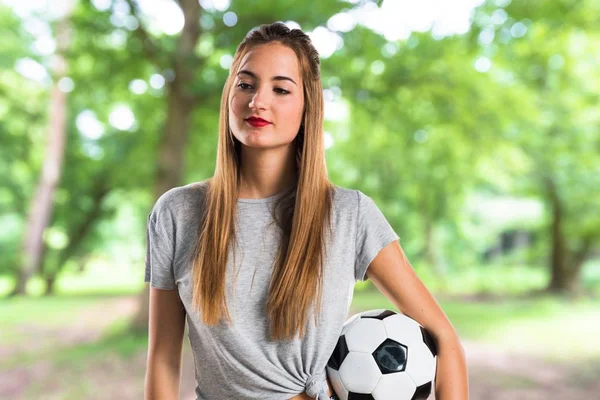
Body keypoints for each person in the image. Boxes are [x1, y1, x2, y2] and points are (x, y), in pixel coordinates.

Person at [144, 22, 468, 400]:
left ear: (307, 107)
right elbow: (164, 358)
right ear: (229, 97)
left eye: (280, 89)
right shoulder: (177, 213)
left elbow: (444, 339)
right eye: (245, 84)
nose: (257, 101)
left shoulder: (350, 215)